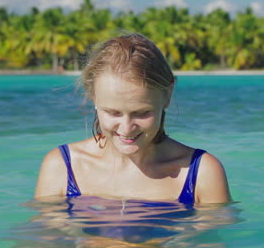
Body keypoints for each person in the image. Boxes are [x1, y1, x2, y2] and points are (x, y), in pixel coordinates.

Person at [35, 33, 231, 204]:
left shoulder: (201, 173)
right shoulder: (62, 166)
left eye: (142, 113)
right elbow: (43, 244)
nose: (127, 128)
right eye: (113, 112)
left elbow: (218, 244)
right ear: (93, 95)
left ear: (167, 96)